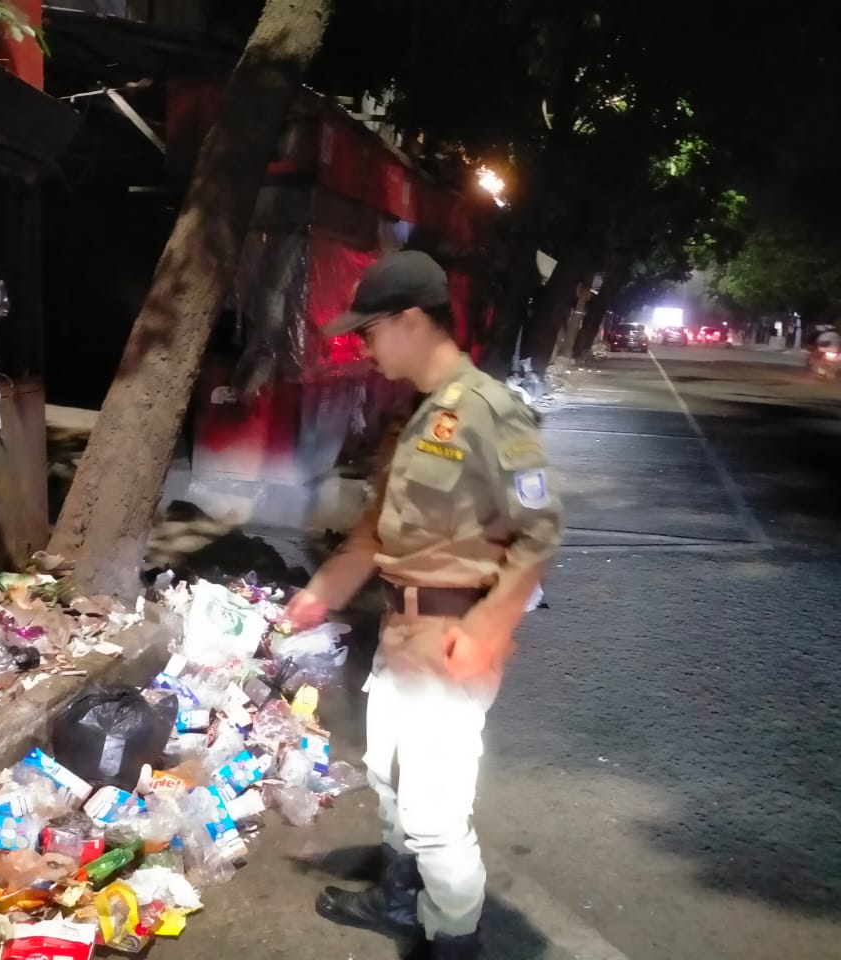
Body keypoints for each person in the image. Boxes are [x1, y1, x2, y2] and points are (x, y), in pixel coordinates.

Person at [282, 251, 564, 960]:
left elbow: (539, 535)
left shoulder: (491, 411)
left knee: (436, 814)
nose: (362, 347)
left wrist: (488, 631)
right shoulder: (418, 416)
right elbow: (378, 529)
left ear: (410, 321)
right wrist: (322, 594)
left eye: (368, 331)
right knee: (389, 775)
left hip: (450, 638)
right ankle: (401, 898)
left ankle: (455, 942)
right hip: (403, 630)